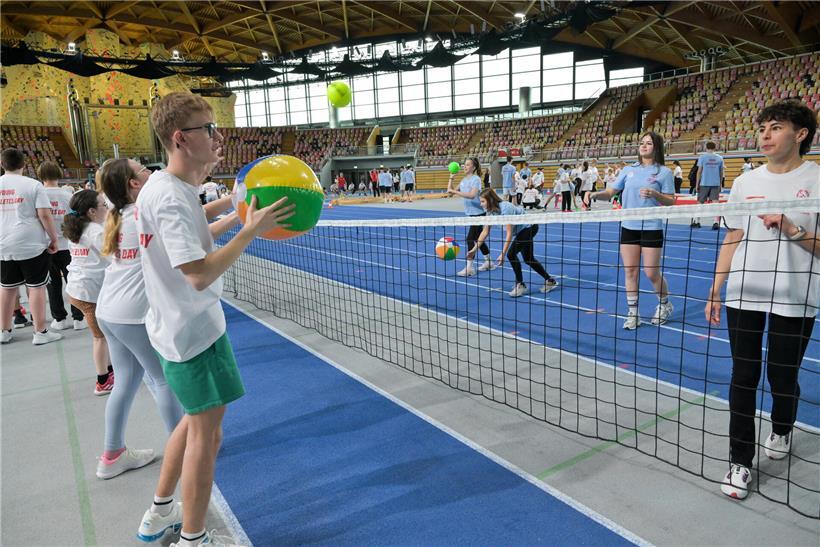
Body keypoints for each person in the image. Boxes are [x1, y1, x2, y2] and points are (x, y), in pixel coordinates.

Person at [135, 92, 294, 546]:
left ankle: (158, 513)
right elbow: (199, 274)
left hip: (182, 329)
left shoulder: (170, 189)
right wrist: (249, 229)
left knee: (192, 422)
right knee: (207, 436)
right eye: (209, 129)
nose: (218, 137)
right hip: (192, 335)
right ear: (181, 138)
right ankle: (193, 538)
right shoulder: (168, 196)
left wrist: (234, 208)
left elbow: (196, 235)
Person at [706, 100, 818, 501]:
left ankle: (783, 428)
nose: (765, 135)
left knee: (782, 377)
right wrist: (717, 287)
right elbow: (733, 236)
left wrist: (791, 229)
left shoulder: (818, 180)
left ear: (800, 134)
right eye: (762, 128)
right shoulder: (746, 182)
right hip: (744, 292)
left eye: (775, 127)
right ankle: (739, 461)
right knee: (743, 376)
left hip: (796, 294)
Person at [94, 158, 184, 480]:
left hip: (109, 312)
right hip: (131, 316)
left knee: (127, 382)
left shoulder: (117, 215)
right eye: (143, 169)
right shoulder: (143, 216)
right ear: (134, 183)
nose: (150, 171)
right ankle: (183, 450)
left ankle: (112, 454)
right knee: (164, 380)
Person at [585, 131, 676, 329]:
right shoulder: (628, 170)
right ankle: (633, 313)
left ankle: (665, 304)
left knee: (651, 273)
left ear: (657, 147)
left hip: (652, 227)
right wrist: (594, 194)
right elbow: (610, 192)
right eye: (642, 143)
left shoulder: (664, 172)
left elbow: (671, 201)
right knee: (630, 272)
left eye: (649, 143)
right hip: (629, 226)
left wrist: (655, 194)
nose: (644, 146)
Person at [0, 147, 62, 346]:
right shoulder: (33, 185)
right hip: (30, 243)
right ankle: (40, 331)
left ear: (2, 165)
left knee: (7, 288)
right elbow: (45, 215)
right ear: (24, 165)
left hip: (3, 243)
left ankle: (4, 330)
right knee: (36, 287)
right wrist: (53, 238)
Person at [64, 189, 115, 394]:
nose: (107, 207)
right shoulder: (94, 231)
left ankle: (110, 369)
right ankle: (102, 381)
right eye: (104, 205)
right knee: (100, 337)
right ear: (92, 211)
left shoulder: (78, 228)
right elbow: (114, 256)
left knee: (105, 333)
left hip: (77, 289)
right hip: (87, 292)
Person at [470, 188, 558, 298]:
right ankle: (550, 280)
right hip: (522, 230)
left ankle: (520, 284)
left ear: (491, 200)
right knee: (528, 258)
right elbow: (485, 231)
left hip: (529, 227)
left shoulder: (506, 208)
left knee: (511, 254)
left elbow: (509, 233)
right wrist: (474, 250)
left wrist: (502, 254)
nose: (481, 204)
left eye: (483, 201)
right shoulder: (490, 212)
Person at [38, 160, 85, 331]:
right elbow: (76, 219)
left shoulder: (39, 193)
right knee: (72, 280)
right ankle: (78, 317)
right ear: (59, 174)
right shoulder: (68, 195)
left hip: (47, 244)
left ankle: (59, 318)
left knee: (53, 283)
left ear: (41, 176)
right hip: (67, 244)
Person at [447, 157, 495, 276]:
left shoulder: (476, 179)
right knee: (478, 239)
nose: (465, 166)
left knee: (470, 239)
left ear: (473, 167)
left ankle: (469, 268)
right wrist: (451, 178)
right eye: (464, 164)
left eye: (468, 165)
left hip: (479, 214)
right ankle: (489, 262)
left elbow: (472, 195)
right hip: (471, 214)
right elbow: (450, 192)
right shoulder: (463, 180)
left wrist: (455, 192)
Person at [691, 141, 724, 229]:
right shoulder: (720, 158)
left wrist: (696, 184)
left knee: (700, 203)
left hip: (704, 183)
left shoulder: (702, 157)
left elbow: (699, 172)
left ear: (706, 147)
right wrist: (720, 184)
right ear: (715, 148)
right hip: (715, 183)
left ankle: (696, 221)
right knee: (715, 203)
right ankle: (716, 222)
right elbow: (721, 173)